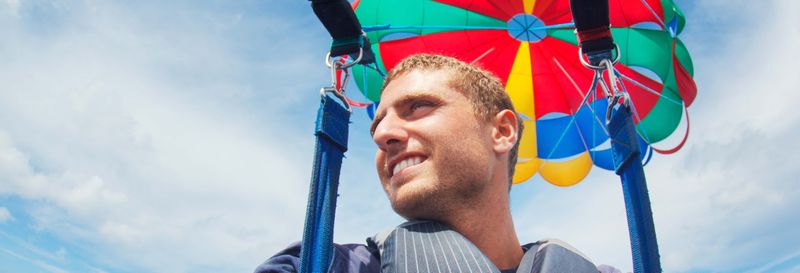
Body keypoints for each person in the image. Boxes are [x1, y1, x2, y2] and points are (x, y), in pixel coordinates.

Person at [255, 54, 603, 273]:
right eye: (376, 125)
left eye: (418, 107)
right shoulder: (327, 265)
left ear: (501, 131)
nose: (382, 135)